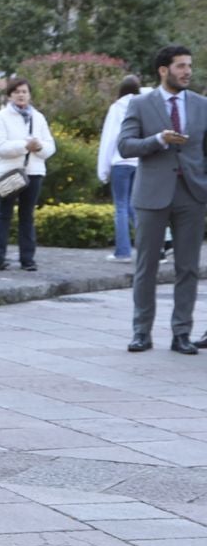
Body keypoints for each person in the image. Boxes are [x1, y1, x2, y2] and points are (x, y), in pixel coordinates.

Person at [119, 45, 207, 353]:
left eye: (189, 66)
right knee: (146, 267)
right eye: (181, 66)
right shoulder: (140, 104)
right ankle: (141, 332)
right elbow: (125, 145)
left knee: (188, 267)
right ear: (163, 70)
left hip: (192, 195)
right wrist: (158, 140)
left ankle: (181, 333)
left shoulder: (201, 104)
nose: (187, 71)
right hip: (152, 194)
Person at [0, 76, 56, 274]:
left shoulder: (39, 117)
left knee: (27, 216)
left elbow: (50, 146)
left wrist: (39, 147)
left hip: (34, 172)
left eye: (24, 92)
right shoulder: (1, 117)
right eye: (17, 92)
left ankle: (28, 259)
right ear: (10, 95)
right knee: (4, 214)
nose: (21, 95)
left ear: (30, 95)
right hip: (9, 173)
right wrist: (24, 146)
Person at [98, 75, 143, 263]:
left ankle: (123, 252)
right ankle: (150, 250)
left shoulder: (116, 108)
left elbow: (108, 139)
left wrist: (103, 170)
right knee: (136, 208)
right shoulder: (143, 106)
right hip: (139, 162)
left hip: (120, 162)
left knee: (121, 208)